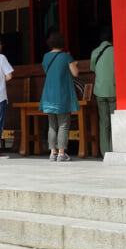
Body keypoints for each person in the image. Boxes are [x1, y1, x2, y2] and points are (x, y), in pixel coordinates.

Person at [39, 29, 79, 162]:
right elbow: (75, 73)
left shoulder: (45, 57)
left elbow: (46, 70)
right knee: (63, 124)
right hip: (62, 95)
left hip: (48, 95)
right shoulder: (66, 56)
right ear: (62, 43)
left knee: (52, 125)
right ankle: (62, 153)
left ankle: (53, 152)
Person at [90, 26, 116, 156]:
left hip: (100, 91)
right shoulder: (117, 51)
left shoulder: (95, 52)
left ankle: (105, 152)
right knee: (115, 121)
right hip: (114, 90)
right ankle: (114, 149)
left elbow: (93, 68)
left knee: (104, 122)